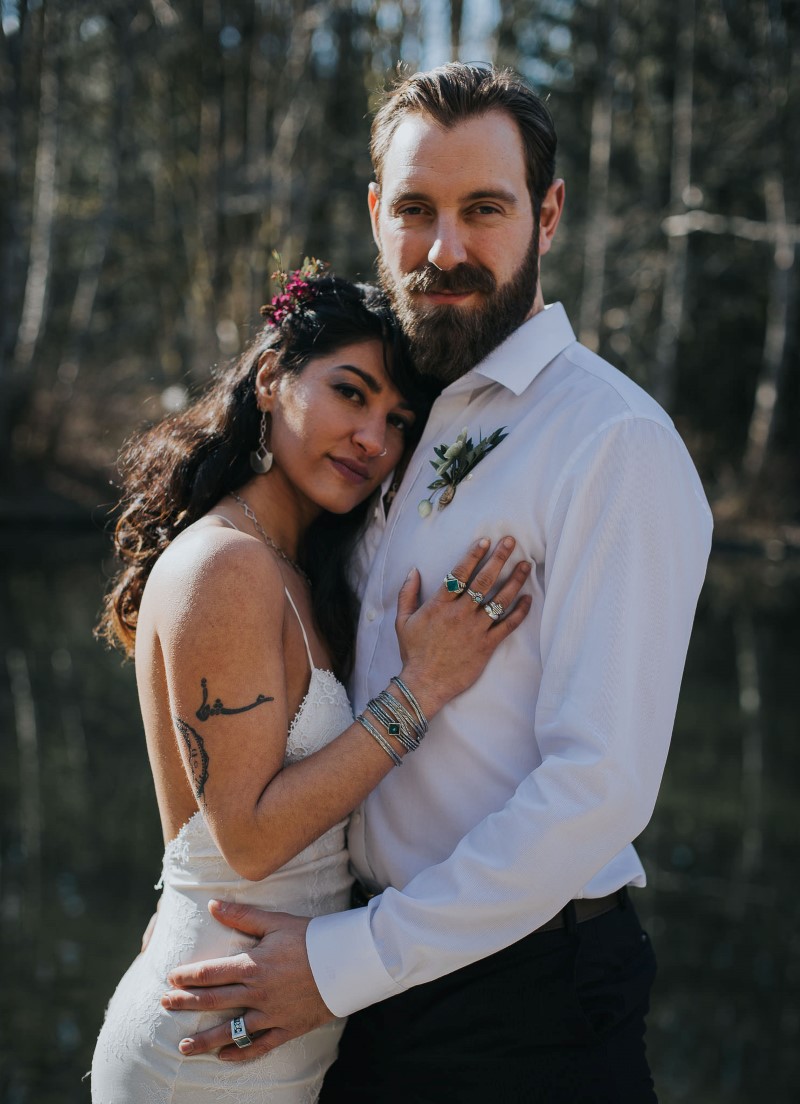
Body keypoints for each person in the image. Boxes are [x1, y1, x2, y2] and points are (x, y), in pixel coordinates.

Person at [160, 65, 714, 1101]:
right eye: (415, 210)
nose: (445, 250)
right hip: (369, 979)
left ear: (546, 215)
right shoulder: (398, 422)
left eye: (483, 210)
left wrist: (345, 962)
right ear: (377, 214)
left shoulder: (613, 444)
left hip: (520, 1009)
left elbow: (596, 790)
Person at [89, 271, 533, 1103]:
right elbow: (251, 840)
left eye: (398, 421)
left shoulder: (298, 569)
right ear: (271, 378)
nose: (372, 436)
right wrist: (422, 689)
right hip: (205, 1045)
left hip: (275, 1032)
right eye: (349, 393)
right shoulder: (225, 565)